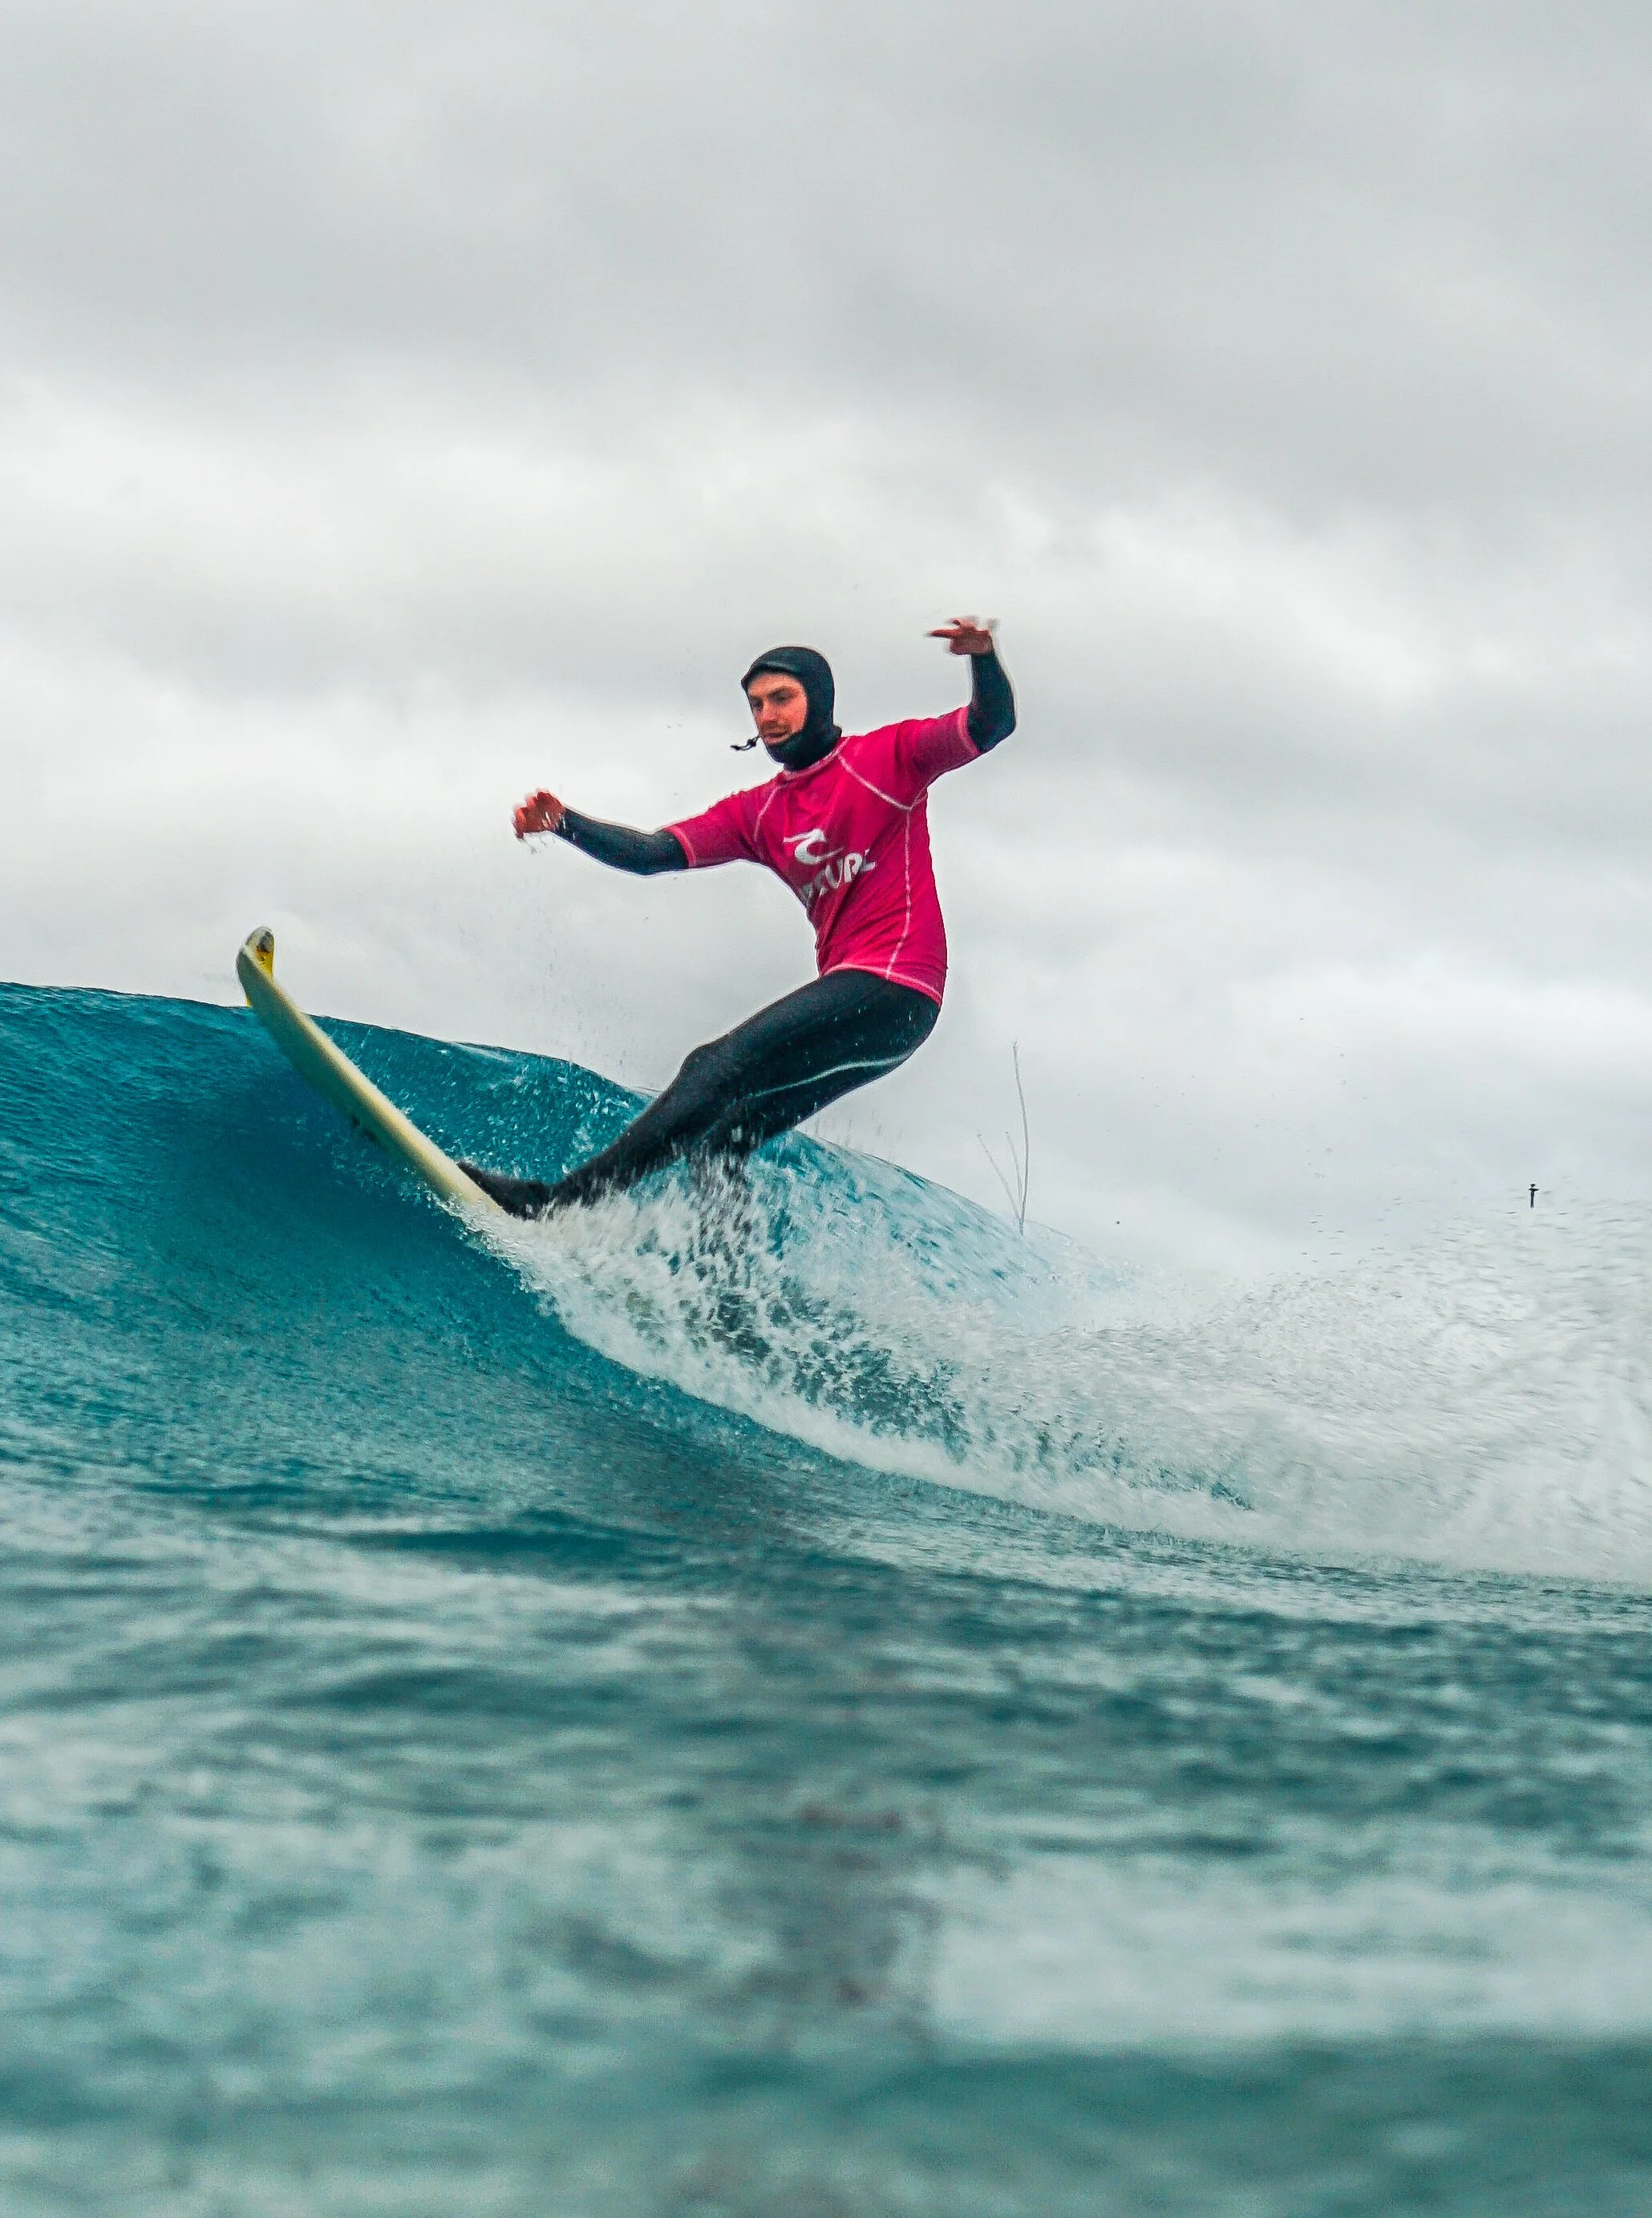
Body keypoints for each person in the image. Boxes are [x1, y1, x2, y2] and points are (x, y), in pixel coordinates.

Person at [460, 618, 1016, 1216]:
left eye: (782, 698)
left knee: (712, 1065)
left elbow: (992, 725)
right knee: (720, 1142)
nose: (768, 715)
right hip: (875, 1014)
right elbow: (653, 854)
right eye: (756, 704)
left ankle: (558, 1203)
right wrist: (565, 822)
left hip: (894, 986)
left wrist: (982, 657)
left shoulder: (889, 757)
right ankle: (729, 1303)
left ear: (819, 700)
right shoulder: (759, 813)